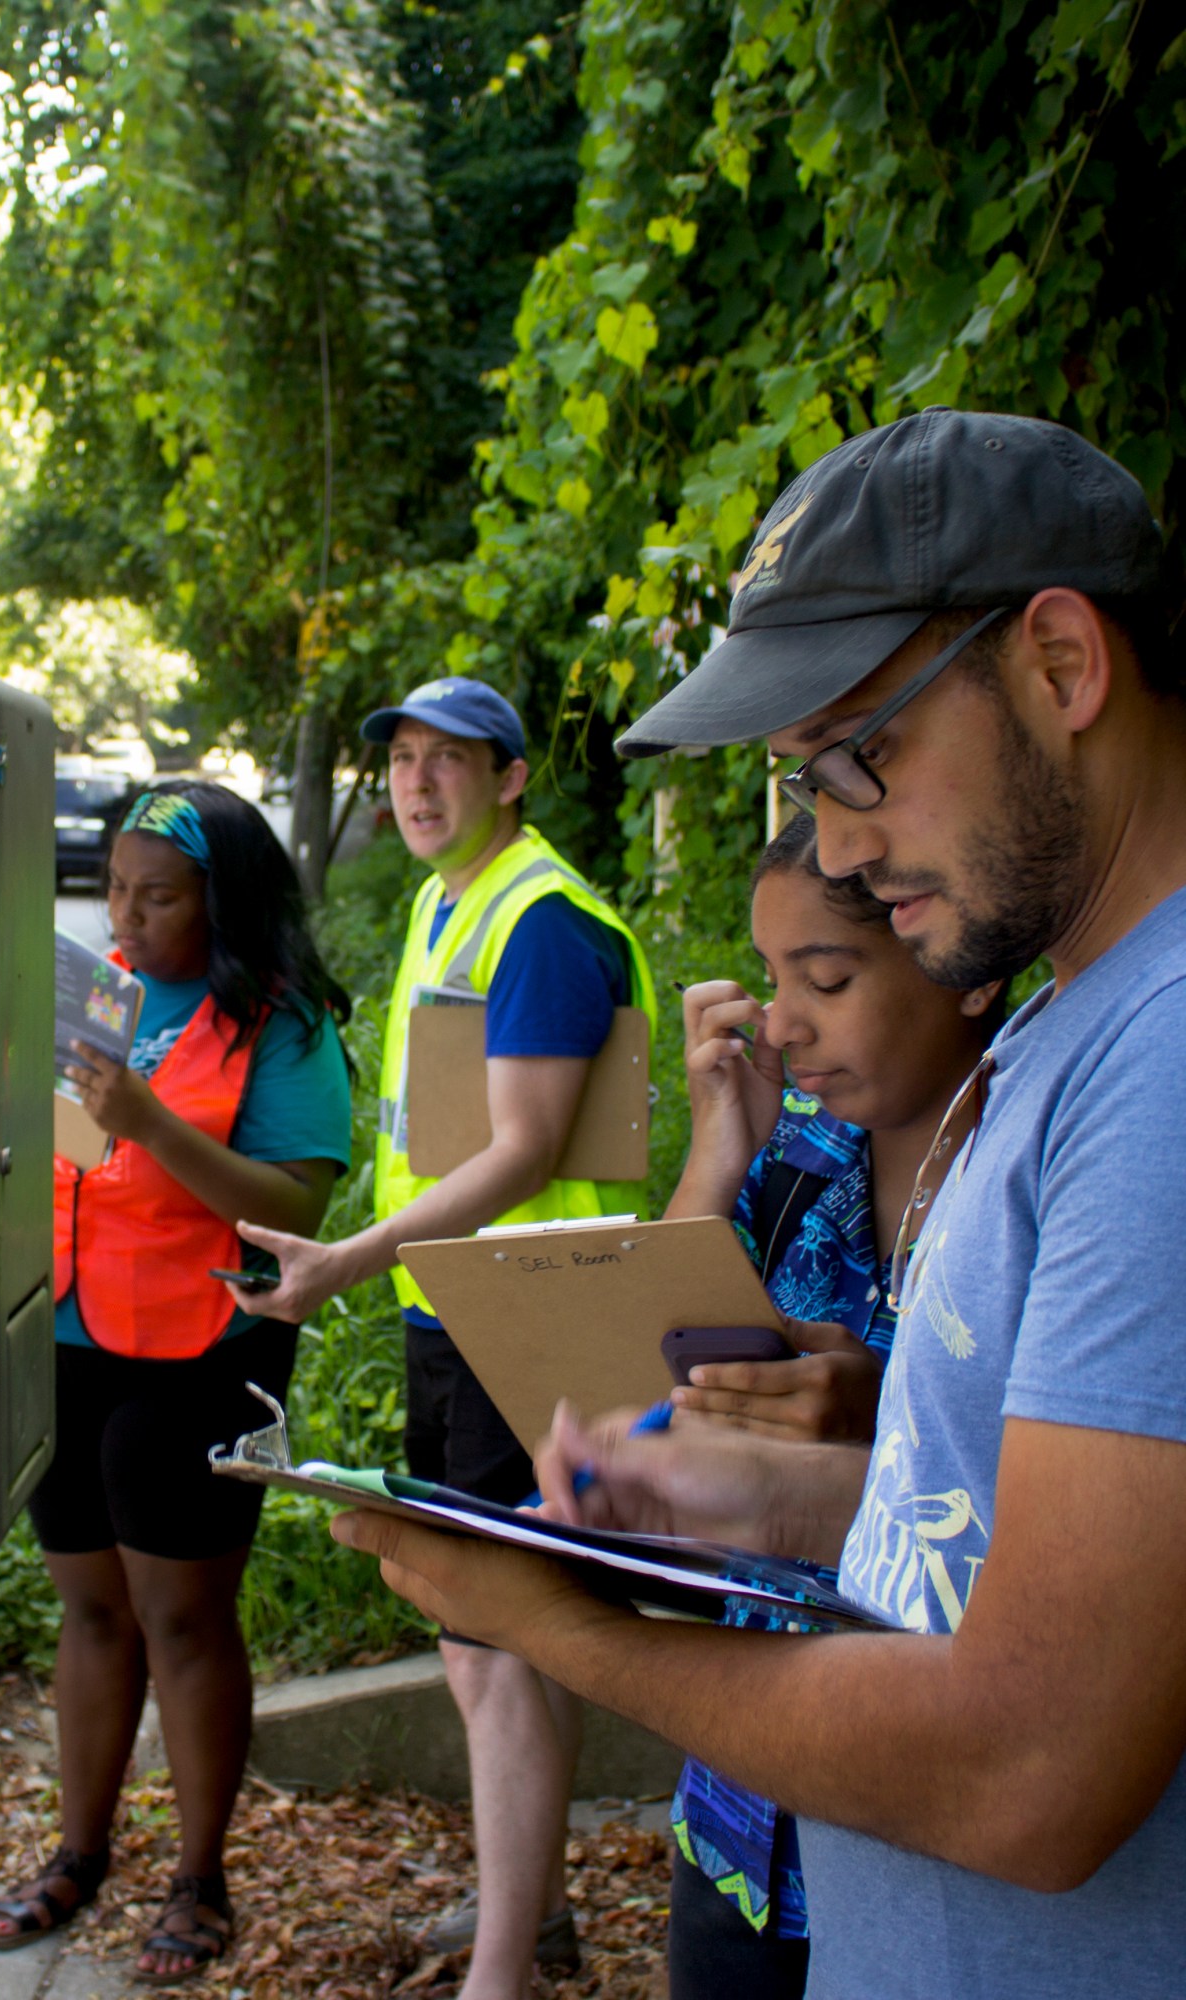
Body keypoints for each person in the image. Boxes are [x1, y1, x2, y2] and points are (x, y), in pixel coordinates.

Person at [329, 407, 1186, 2000]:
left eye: (861, 756)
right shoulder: (1078, 1024)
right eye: (807, 779)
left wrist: (563, 1628)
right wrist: (738, 1498)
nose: (843, 842)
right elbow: (967, 1544)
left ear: (1064, 666)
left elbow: (1037, 1768)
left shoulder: (1165, 1064)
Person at [235, 678, 654, 1997]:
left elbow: (526, 1151)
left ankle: (504, 1967)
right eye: (403, 762)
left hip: (529, 1310)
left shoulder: (537, 923)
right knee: (499, 1637)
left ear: (513, 776)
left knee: (495, 1639)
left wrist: (351, 1261)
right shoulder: (450, 901)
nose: (418, 786)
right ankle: (524, 1911)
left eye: (449, 763)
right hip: (471, 1307)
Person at [0, 781, 352, 1985]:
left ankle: (199, 1876)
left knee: (181, 1616)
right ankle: (79, 1850)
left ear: (223, 898)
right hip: (72, 1335)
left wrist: (142, 1118)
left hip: (201, 1348)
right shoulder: (95, 991)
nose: (127, 917)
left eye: (159, 895)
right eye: (116, 890)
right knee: (88, 1610)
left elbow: (294, 1205)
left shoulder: (279, 1021)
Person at [663, 814, 1002, 1997]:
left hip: (925, 1814)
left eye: (824, 976)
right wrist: (719, 1151)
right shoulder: (801, 1159)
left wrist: (885, 1419)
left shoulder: (1032, 1174)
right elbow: (642, 1379)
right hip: (739, 1800)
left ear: (961, 963)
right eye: (768, 979)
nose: (781, 1021)